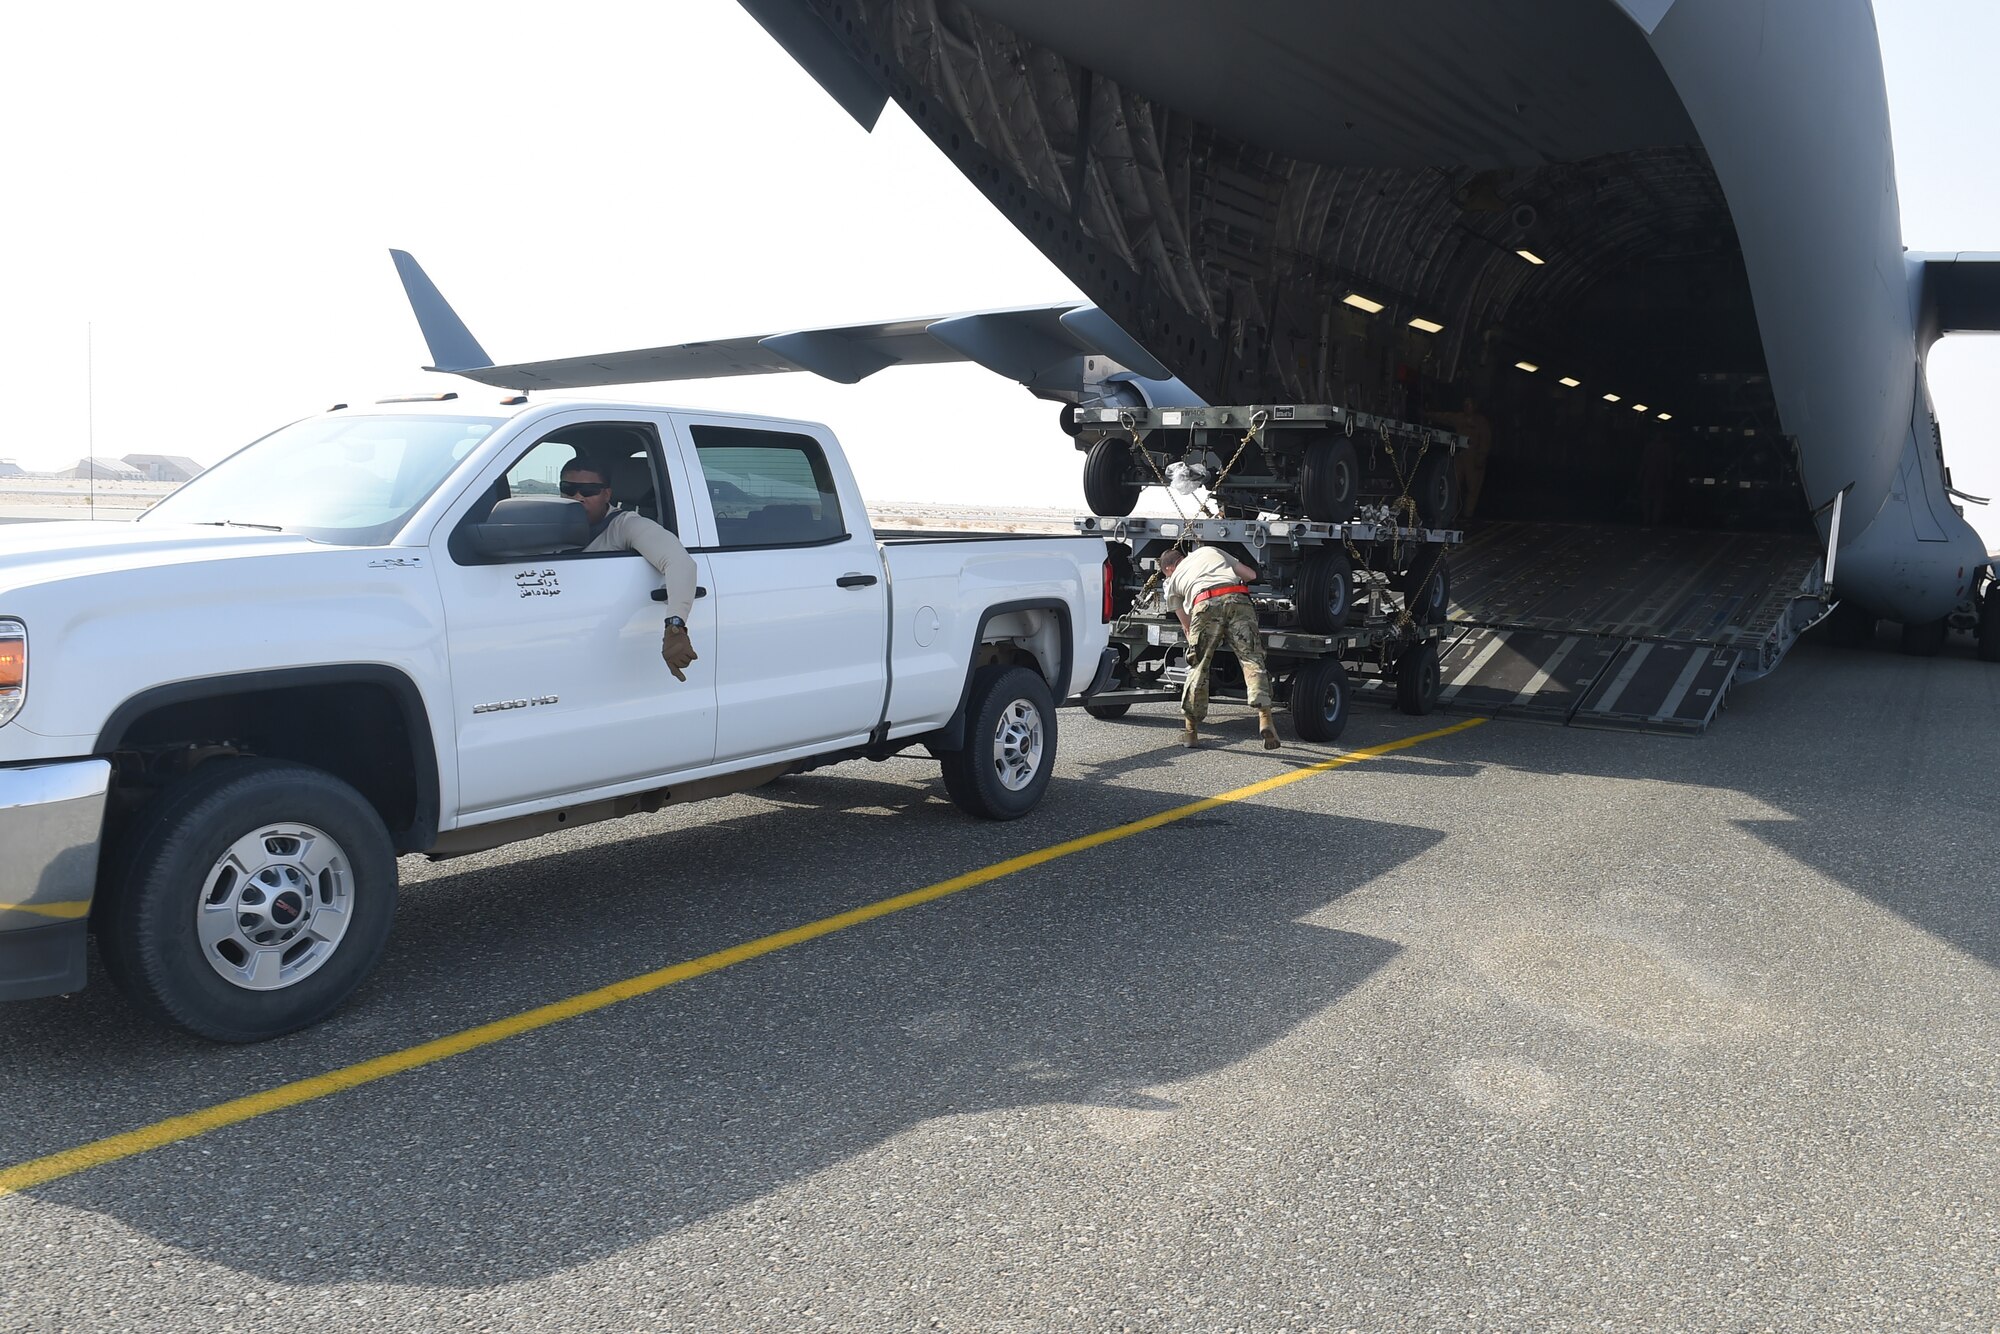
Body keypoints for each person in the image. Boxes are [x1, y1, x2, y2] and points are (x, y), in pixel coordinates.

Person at [559, 459, 701, 680]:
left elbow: (679, 562)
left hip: (606, 634)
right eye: (568, 489)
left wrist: (675, 625)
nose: (578, 497)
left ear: (607, 494)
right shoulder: (546, 520)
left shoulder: (625, 525)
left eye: (589, 490)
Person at [1159, 544, 1278, 750]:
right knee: (1251, 659)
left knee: (1199, 666)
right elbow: (1249, 574)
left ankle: (1191, 731)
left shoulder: (1172, 581)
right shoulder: (1209, 550)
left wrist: (1192, 633)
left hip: (1204, 603)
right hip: (1237, 598)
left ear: (1168, 569)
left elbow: (1184, 622)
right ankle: (1265, 718)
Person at [1426, 396, 1495, 521]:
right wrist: (1427, 414)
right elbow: (1443, 417)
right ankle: (1453, 513)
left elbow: (1486, 440)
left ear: (1475, 406)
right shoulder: (1458, 418)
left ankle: (1468, 515)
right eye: (1465, 404)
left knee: (1473, 488)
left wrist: (1481, 456)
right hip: (1460, 456)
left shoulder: (1481, 422)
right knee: (1455, 484)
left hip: (1474, 458)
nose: (1466, 407)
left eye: (1469, 404)